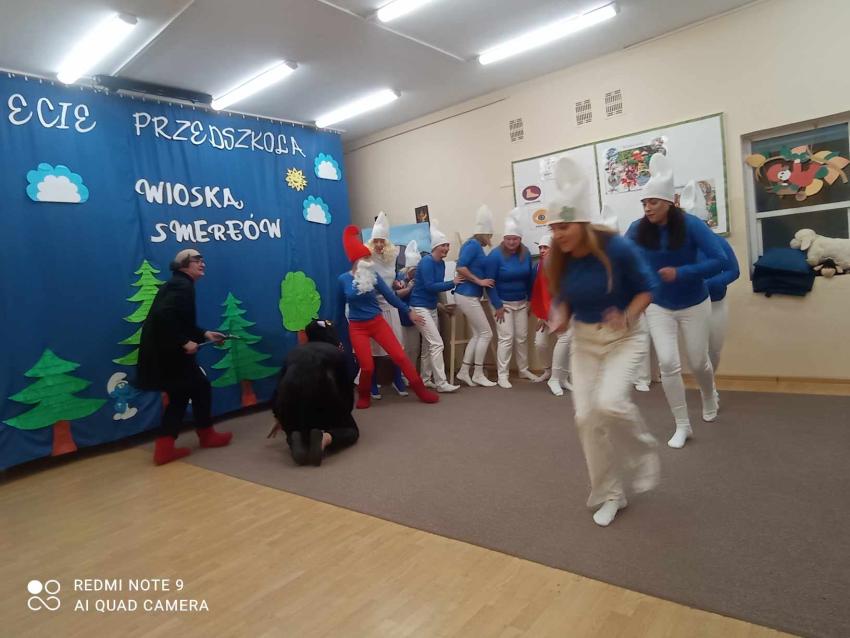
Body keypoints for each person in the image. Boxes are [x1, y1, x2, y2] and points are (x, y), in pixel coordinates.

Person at [546, 157, 660, 527]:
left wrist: (626, 315)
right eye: (553, 228)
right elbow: (564, 296)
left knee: (610, 404)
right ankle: (611, 493)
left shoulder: (617, 248)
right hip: (584, 342)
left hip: (623, 337)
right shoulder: (559, 258)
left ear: (581, 223)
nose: (558, 234)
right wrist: (560, 314)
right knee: (586, 419)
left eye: (564, 226)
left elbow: (648, 288)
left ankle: (643, 451)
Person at [625, 155, 726, 449]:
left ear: (669, 202)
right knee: (668, 363)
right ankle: (682, 424)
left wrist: (681, 272)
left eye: (653, 202)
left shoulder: (692, 225)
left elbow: (719, 261)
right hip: (659, 305)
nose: (647, 208)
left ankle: (709, 394)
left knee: (698, 361)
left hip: (694, 302)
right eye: (644, 203)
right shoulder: (637, 228)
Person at [136, 248, 231, 466]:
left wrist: (204, 334)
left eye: (203, 260)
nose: (202, 263)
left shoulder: (178, 284)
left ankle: (167, 447)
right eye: (197, 260)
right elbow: (163, 316)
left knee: (188, 392)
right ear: (184, 265)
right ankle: (203, 436)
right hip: (171, 354)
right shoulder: (182, 286)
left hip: (167, 353)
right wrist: (183, 341)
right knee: (194, 389)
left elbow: (179, 322)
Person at [339, 226, 440, 409]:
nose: (369, 260)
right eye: (365, 257)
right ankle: (364, 395)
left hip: (377, 322)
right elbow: (338, 308)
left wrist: (408, 311)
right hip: (357, 327)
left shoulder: (373, 276)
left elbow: (390, 296)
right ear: (356, 260)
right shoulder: (343, 280)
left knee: (400, 356)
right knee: (367, 366)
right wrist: (337, 335)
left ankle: (421, 391)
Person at [680, 180, 740, 399]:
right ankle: (708, 389)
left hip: (716, 304)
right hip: (692, 305)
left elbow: (733, 271)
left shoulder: (718, 243)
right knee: (697, 352)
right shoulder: (679, 247)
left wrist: (711, 283)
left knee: (714, 348)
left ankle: (709, 384)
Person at [270, 319, 358, 466]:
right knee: (351, 431)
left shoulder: (293, 353)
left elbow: (279, 389)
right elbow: (346, 390)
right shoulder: (337, 354)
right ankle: (326, 438)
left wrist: (279, 416)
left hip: (291, 406)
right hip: (323, 405)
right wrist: (345, 416)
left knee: (295, 424)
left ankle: (294, 436)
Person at [486, 208, 541, 388]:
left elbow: (530, 279)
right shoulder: (495, 255)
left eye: (515, 239)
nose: (511, 242)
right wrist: (497, 305)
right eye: (508, 239)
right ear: (503, 239)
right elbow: (489, 284)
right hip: (502, 304)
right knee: (506, 338)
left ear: (520, 239)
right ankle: (502, 375)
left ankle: (523, 370)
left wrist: (530, 300)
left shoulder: (526, 253)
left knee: (522, 337)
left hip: (521, 302)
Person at [408, 220, 462, 393]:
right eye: (443, 245)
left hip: (430, 307)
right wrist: (452, 283)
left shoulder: (441, 263)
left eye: (447, 245)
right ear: (435, 247)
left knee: (428, 345)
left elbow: (435, 289)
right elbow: (431, 286)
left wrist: (442, 305)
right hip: (419, 307)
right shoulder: (427, 262)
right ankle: (441, 383)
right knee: (437, 343)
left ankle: (425, 379)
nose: (446, 248)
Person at [366, 212, 408, 398]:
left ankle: (398, 380)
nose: (379, 245)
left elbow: (391, 280)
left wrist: (397, 283)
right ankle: (373, 382)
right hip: (374, 308)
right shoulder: (366, 260)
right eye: (376, 241)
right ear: (371, 242)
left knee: (396, 346)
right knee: (374, 348)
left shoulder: (391, 259)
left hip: (391, 307)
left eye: (382, 241)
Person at [454, 205, 497, 387]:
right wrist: (479, 281)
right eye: (490, 235)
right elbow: (460, 266)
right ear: (484, 233)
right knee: (486, 333)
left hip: (469, 295)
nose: (490, 239)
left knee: (477, 334)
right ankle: (478, 373)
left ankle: (464, 371)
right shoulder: (472, 245)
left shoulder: (475, 246)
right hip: (467, 295)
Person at [530, 231, 572, 396]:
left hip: (556, 308)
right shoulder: (539, 265)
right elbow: (539, 292)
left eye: (545, 247)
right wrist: (541, 314)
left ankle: (560, 378)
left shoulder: (558, 264)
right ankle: (549, 372)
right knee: (540, 343)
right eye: (540, 247)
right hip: (546, 310)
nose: (542, 250)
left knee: (565, 338)